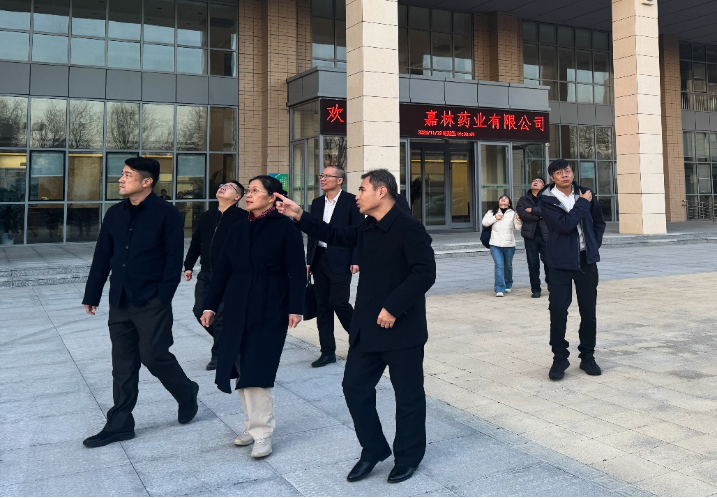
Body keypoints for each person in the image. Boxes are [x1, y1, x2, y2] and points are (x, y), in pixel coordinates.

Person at [275, 169, 436, 484]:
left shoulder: (410, 228)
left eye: (362, 190)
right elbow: (335, 235)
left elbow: (424, 273)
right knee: (354, 388)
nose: (357, 196)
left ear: (381, 192)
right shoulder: (367, 226)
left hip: (402, 329)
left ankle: (408, 456)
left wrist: (393, 307)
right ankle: (373, 449)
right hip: (367, 329)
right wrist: (300, 215)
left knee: (408, 397)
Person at [81, 157, 199, 448]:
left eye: (127, 175)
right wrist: (92, 294)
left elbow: (173, 259)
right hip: (120, 299)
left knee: (154, 356)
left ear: (147, 182)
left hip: (151, 301)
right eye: (122, 174)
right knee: (122, 363)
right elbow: (102, 255)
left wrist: (162, 297)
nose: (121, 179)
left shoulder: (167, 214)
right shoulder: (114, 214)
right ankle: (120, 423)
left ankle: (186, 391)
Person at [200, 176, 305, 459]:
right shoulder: (238, 227)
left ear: (272, 197)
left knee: (259, 366)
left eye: (256, 190)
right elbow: (222, 270)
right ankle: (251, 424)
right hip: (237, 302)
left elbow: (297, 270)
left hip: (271, 302)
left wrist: (296, 307)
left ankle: (262, 433)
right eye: (248, 190)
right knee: (240, 364)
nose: (249, 194)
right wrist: (210, 306)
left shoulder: (285, 227)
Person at [539, 159, 606, 381]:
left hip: (586, 261)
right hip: (560, 263)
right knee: (558, 311)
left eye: (567, 171)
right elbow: (565, 225)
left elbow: (599, 221)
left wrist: (594, 243)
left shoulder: (585, 193)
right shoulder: (546, 200)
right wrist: (583, 204)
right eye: (559, 173)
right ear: (552, 178)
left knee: (589, 311)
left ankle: (587, 356)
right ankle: (560, 358)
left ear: (572, 173)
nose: (565, 175)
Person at [183, 181, 248, 370]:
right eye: (222, 185)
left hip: (229, 274)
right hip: (206, 273)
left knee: (221, 317)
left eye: (229, 187)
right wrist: (188, 265)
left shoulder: (243, 218)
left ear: (237, 197)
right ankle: (231, 341)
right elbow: (196, 242)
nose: (222, 187)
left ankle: (219, 355)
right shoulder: (207, 216)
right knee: (200, 311)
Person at [306, 166, 363, 368]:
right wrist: (309, 259)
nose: (323, 179)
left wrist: (356, 259)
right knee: (322, 306)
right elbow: (313, 232)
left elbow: (359, 232)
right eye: (321, 175)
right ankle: (327, 352)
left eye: (327, 176)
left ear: (340, 180)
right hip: (320, 259)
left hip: (342, 259)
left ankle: (360, 341)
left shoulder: (352, 201)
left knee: (339, 303)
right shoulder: (317, 203)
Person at [482, 195, 522, 297]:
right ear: (499, 201)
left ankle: (508, 283)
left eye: (506, 198)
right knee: (499, 265)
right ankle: (499, 288)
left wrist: (518, 220)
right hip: (495, 244)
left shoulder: (513, 213)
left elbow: (518, 228)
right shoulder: (492, 212)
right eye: (501, 198)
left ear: (509, 203)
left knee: (508, 266)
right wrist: (495, 218)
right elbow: (485, 223)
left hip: (509, 245)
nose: (503, 199)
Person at [516, 178, 550, 298]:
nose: (535, 182)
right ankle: (536, 289)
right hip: (530, 236)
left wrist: (532, 210)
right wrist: (539, 216)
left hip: (546, 236)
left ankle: (551, 284)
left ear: (543, 186)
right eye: (533, 181)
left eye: (539, 181)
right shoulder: (523, 199)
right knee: (533, 264)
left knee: (548, 262)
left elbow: (549, 211)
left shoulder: (547, 198)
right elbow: (522, 213)